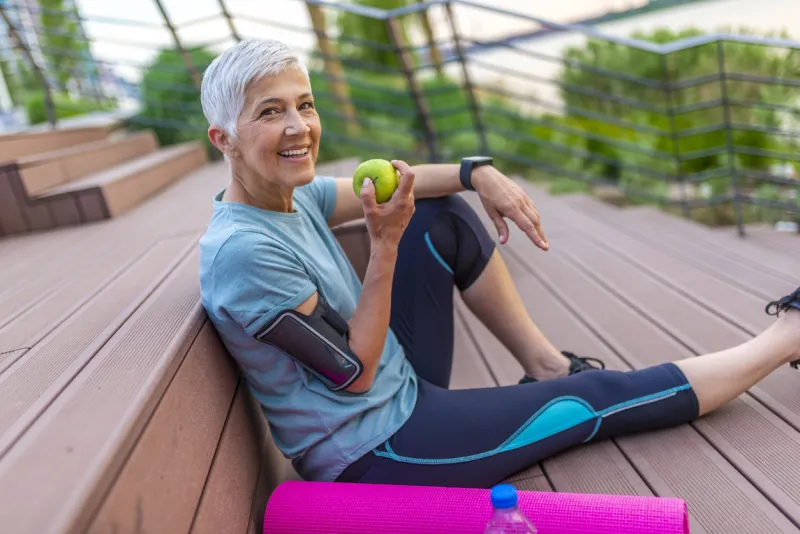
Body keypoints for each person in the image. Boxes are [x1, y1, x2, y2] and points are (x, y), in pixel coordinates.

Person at [197, 39, 800, 488]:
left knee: (441, 213)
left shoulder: (289, 193)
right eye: (270, 112)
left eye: (304, 104)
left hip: (397, 384)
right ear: (222, 138)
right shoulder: (246, 255)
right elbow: (353, 373)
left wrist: (476, 173)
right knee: (591, 400)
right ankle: (785, 337)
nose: (299, 127)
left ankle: (545, 364)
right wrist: (383, 247)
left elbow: (409, 181)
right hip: (377, 452)